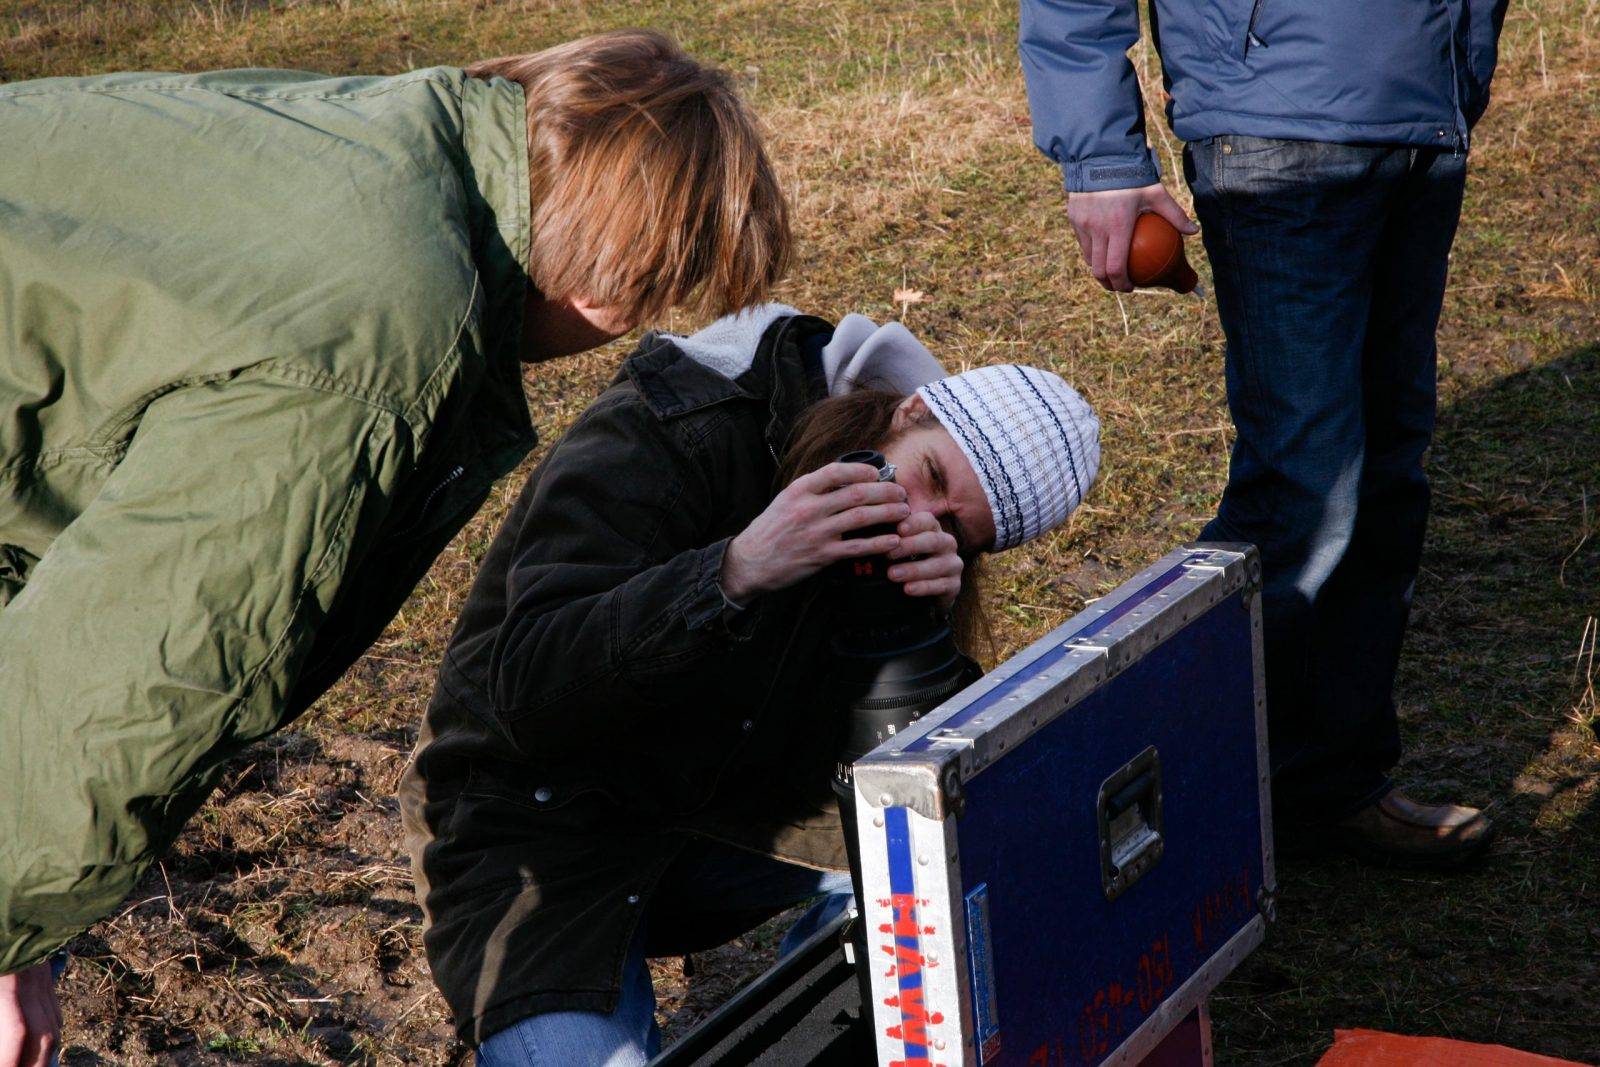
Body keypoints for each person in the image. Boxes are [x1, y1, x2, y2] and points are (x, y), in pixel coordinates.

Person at [0, 30, 788, 1067]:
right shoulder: (381, 326)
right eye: (661, 290)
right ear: (617, 276)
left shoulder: (382, 132)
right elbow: (141, 672)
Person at [399, 303, 1100, 1063]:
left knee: (929, 907)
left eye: (955, 529)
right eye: (928, 473)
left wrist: (922, 638)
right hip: (536, 834)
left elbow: (926, 795)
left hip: (721, 821)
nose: (912, 514)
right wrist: (733, 572)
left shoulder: (914, 549)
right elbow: (527, 691)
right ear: (913, 406)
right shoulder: (681, 421)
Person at [1018, 0, 1509, 865]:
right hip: (1275, 120)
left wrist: (1462, 64)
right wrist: (1097, 155)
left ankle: (1326, 786)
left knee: (1389, 473)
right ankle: (1149, 801)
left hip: (1423, 116)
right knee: (1301, 496)